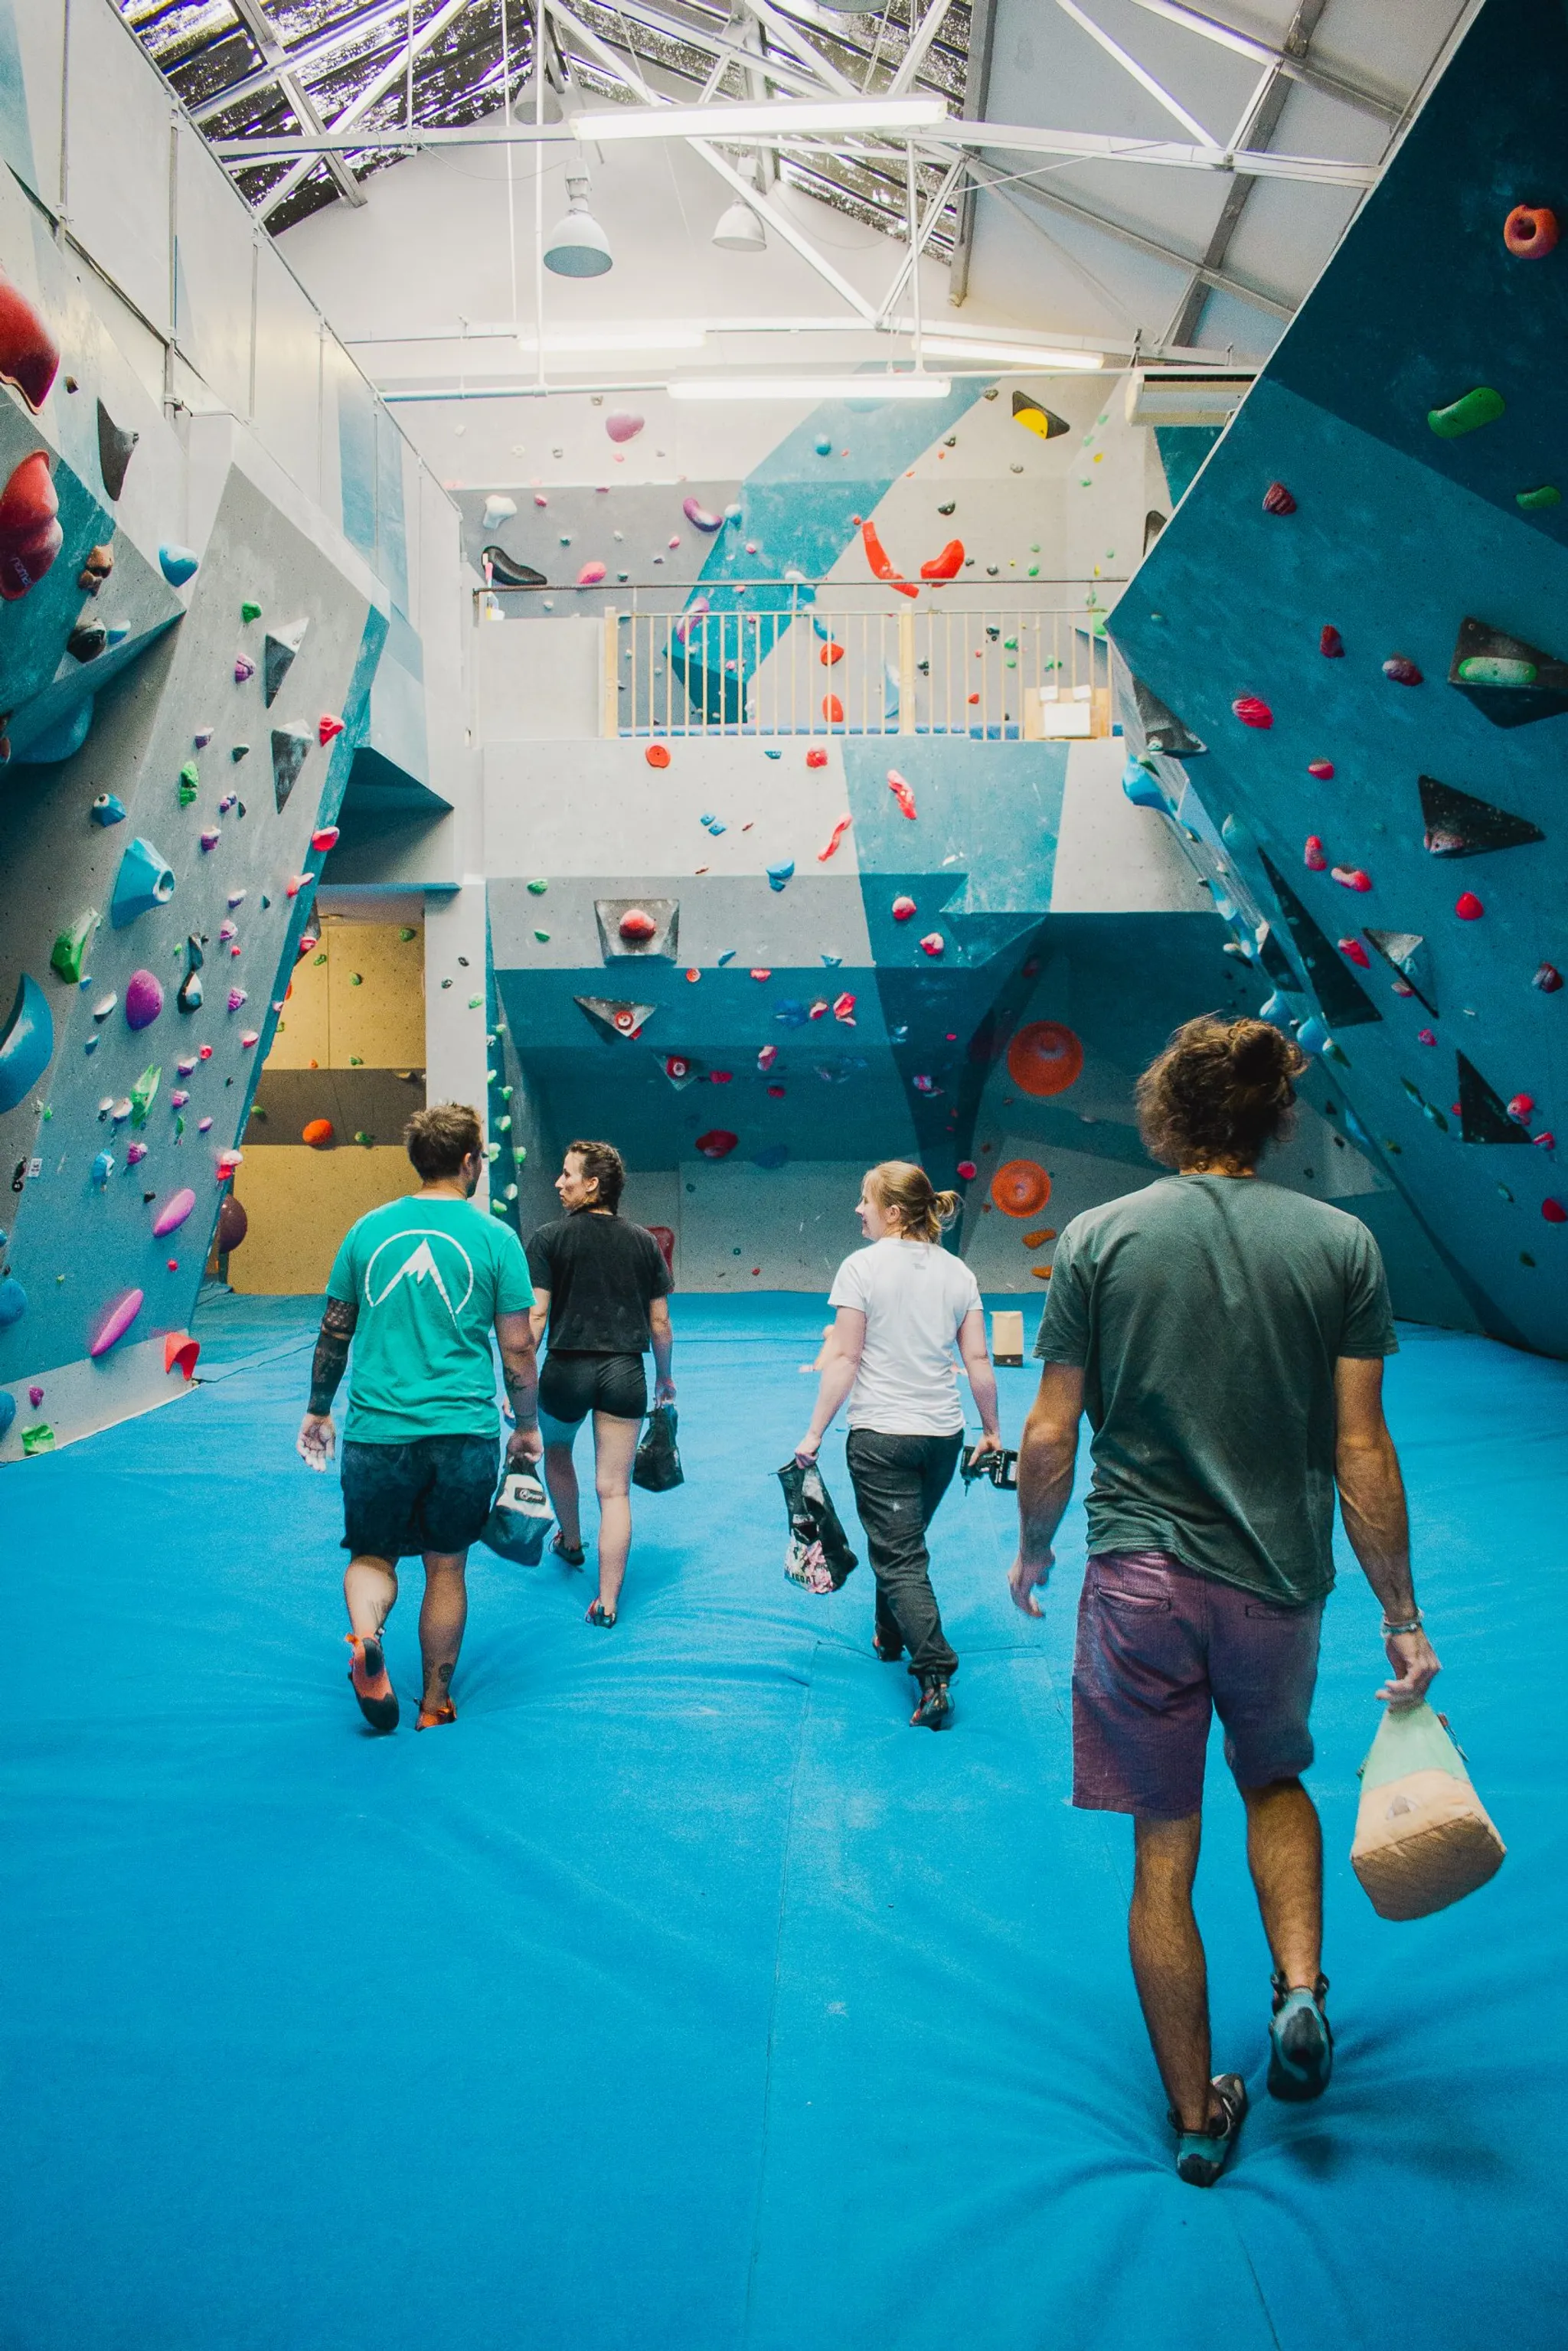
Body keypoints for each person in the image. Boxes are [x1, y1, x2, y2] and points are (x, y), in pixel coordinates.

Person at [1008, 1017, 1441, 2186]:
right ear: (1273, 1117)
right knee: (1274, 1777)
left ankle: (1200, 2115)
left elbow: (1049, 1428)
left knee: (1165, 1845)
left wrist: (1036, 1546)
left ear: (1169, 1113)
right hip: (1280, 1582)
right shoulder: (1342, 1242)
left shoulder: (1099, 1236)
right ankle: (1299, 1987)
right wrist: (1401, 1612)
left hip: (1140, 1578)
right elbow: (1363, 1445)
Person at [296, 1102, 541, 1735]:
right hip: (463, 1434)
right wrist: (527, 1422)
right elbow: (517, 1347)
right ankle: (435, 1703)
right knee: (446, 1566)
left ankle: (368, 1636)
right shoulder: (496, 1239)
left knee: (374, 1557)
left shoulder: (367, 1231)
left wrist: (319, 1407)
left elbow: (334, 1331)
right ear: (468, 1163)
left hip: (379, 1432)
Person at [795, 1161, 1004, 1729]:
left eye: (865, 1200)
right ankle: (890, 1632)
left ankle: (934, 1673)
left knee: (900, 1551)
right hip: (943, 1437)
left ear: (892, 1211)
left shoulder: (861, 1267)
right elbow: (978, 1361)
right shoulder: (959, 1272)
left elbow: (843, 1356)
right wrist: (992, 1430)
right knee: (902, 1541)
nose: (858, 1210)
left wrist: (813, 1433)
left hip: (881, 1437)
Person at [525, 1140, 675, 1631]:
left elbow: (538, 1315)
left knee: (557, 1453)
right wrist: (665, 1378)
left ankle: (570, 1541)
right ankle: (607, 1603)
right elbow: (660, 1325)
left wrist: (520, 1379)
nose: (558, 1182)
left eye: (567, 1175)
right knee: (614, 1493)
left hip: (565, 1371)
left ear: (593, 1184)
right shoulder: (644, 1242)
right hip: (624, 1375)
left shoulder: (548, 1239)